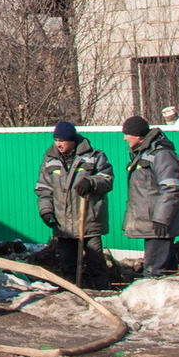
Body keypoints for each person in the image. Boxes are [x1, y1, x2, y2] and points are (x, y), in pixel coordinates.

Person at [33, 121, 113, 286]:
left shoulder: (94, 157)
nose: (58, 144)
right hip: (64, 225)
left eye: (62, 140)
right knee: (67, 264)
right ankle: (71, 295)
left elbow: (107, 179)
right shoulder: (50, 160)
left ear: (73, 141)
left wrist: (91, 182)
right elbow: (44, 189)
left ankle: (102, 292)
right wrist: (46, 211)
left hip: (89, 221)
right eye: (56, 140)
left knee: (96, 261)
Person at [123, 115, 179, 277]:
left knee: (154, 272)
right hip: (152, 222)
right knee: (165, 269)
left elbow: (171, 187)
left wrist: (161, 218)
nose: (125, 138)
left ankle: (151, 301)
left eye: (127, 134)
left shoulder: (161, 155)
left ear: (138, 136)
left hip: (159, 224)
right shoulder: (143, 154)